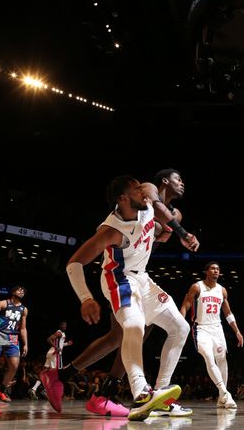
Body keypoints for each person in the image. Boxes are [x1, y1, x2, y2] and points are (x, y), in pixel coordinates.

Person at [42, 174, 199, 421]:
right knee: (134, 327)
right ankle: (141, 392)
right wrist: (86, 298)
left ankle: (160, 393)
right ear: (123, 198)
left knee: (180, 327)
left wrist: (179, 232)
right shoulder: (110, 230)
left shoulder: (146, 199)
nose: (143, 192)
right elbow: (74, 264)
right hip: (119, 279)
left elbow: (159, 208)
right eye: (136, 190)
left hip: (143, 279)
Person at [178, 261, 244, 409]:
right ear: (206, 271)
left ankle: (222, 397)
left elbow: (228, 313)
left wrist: (237, 331)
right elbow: (185, 305)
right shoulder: (197, 287)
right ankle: (225, 393)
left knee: (221, 360)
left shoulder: (222, 290)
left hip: (217, 329)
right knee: (208, 357)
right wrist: (180, 323)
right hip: (201, 328)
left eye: (218, 269)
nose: (216, 271)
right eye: (213, 268)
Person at [29, 321, 72, 399]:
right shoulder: (58, 333)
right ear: (60, 326)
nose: (64, 326)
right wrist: (56, 347)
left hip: (51, 353)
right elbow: (49, 339)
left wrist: (66, 344)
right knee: (57, 373)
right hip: (55, 354)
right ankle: (46, 390)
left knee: (45, 373)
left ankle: (33, 389)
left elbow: (60, 344)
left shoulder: (62, 334)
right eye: (63, 325)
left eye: (65, 325)